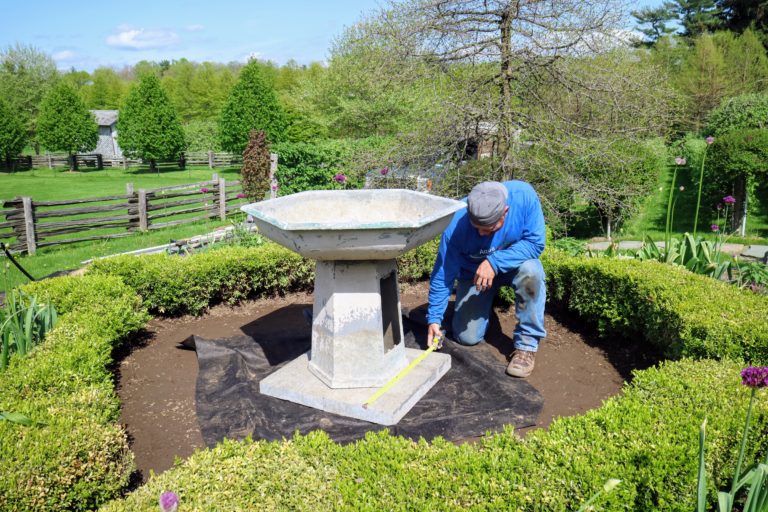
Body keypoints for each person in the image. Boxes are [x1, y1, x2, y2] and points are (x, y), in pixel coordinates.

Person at [426, 180, 547, 378]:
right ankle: (484, 305)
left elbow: (535, 243)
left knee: (532, 271)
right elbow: (443, 274)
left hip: (515, 266)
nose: (482, 234)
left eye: (489, 229)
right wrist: (434, 319)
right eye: (477, 228)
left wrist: (494, 262)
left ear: (505, 212)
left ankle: (527, 346)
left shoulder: (523, 197)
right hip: (474, 274)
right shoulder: (455, 222)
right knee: (467, 338)